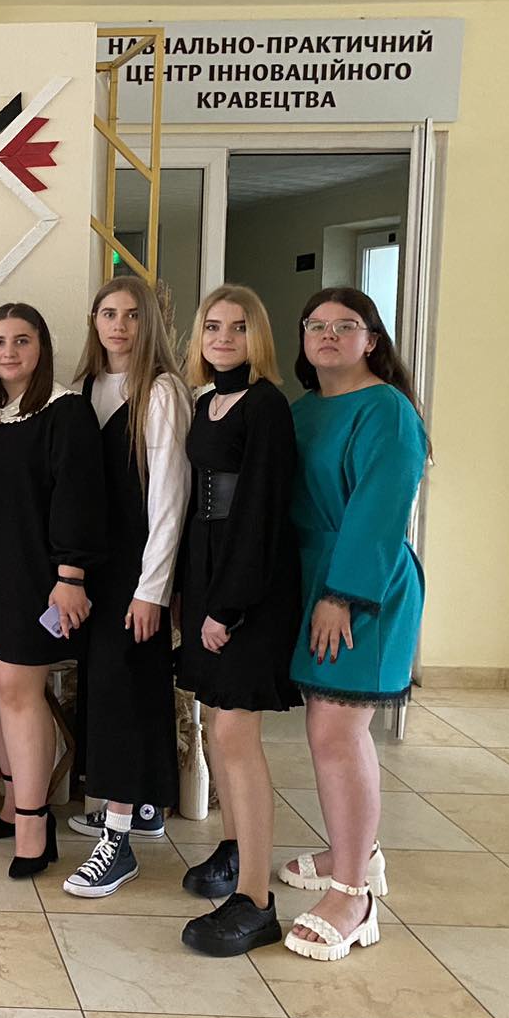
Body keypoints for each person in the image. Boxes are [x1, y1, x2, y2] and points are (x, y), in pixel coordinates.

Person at [278, 287, 427, 962]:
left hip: (360, 585)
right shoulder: (304, 409)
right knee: (326, 727)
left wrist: (342, 595)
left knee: (336, 731)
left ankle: (352, 896)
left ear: (372, 339)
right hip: (313, 576)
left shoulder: (387, 411)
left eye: (346, 325)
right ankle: (356, 851)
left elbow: (379, 511)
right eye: (316, 325)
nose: (329, 335)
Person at [0, 304, 103, 879]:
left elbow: (78, 499)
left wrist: (70, 577)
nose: (8, 352)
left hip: (35, 575)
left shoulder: (66, 411)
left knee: (18, 689)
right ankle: (14, 801)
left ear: (42, 346)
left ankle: (37, 823)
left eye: (22, 340)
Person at [172, 287, 302, 955]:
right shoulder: (204, 402)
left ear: (259, 337)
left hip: (250, 585)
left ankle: (256, 901)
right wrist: (190, 595)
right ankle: (233, 848)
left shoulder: (267, 405)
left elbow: (260, 514)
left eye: (238, 326)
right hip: (206, 571)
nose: (223, 337)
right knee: (215, 724)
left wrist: (228, 606)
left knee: (234, 732)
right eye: (213, 326)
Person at [63, 275, 189, 899]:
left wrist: (152, 589)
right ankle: (138, 807)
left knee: (124, 691)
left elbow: (170, 499)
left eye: (132, 314)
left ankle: (117, 844)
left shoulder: (161, 391)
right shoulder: (86, 388)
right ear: (94, 321)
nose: (119, 325)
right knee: (110, 689)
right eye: (108, 313)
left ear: (150, 324)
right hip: (99, 567)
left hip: (138, 572)